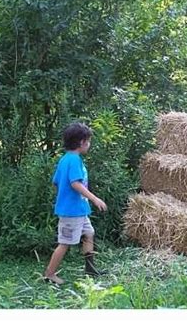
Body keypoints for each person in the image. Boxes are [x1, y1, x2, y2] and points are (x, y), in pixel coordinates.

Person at [44, 122, 107, 285]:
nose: (89, 144)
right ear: (81, 142)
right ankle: (49, 274)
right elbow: (75, 183)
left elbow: (56, 182)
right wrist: (94, 198)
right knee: (64, 243)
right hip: (72, 211)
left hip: (79, 209)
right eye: (88, 141)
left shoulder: (66, 159)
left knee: (89, 233)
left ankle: (90, 268)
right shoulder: (73, 160)